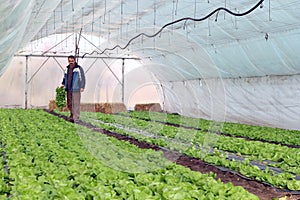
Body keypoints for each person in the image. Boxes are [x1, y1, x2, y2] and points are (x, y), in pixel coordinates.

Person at [61, 55, 86, 123]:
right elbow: (64, 77)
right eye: (69, 61)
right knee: (69, 103)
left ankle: (76, 117)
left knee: (76, 103)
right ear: (68, 61)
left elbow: (82, 78)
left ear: (74, 60)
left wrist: (82, 86)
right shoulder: (67, 68)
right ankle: (72, 115)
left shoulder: (78, 68)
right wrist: (63, 84)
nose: (71, 62)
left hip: (76, 89)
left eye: (72, 61)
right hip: (68, 89)